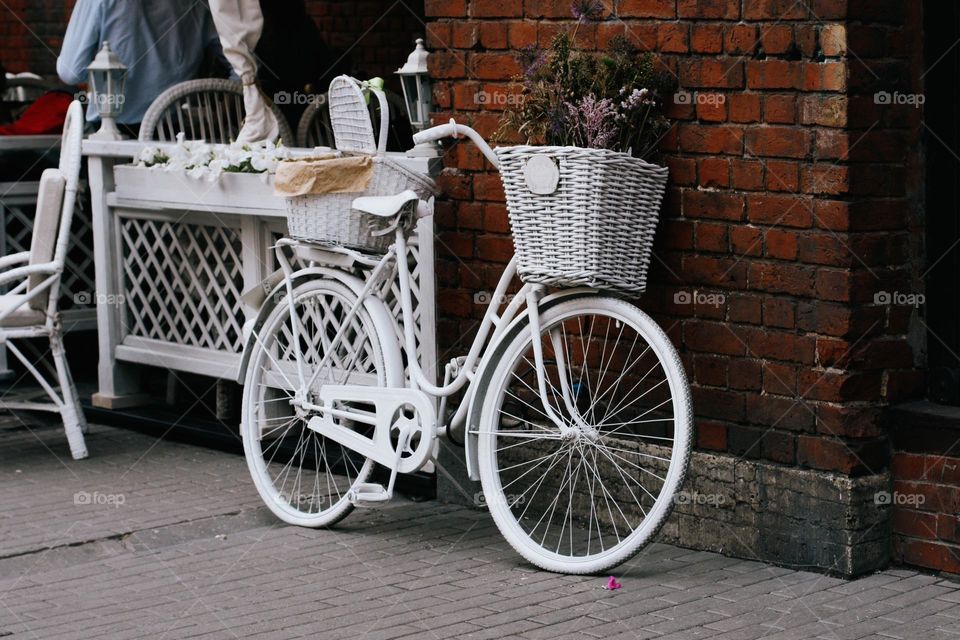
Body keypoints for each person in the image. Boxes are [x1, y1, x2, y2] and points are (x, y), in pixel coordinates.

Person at [56, 0, 223, 130]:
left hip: (113, 129)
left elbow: (71, 72)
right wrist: (226, 107)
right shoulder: (200, 3)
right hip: (177, 132)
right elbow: (239, 65)